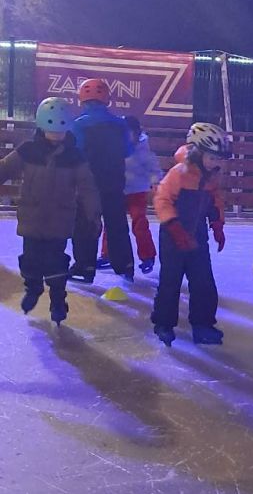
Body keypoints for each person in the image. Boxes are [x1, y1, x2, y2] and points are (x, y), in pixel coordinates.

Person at [0, 97, 100, 324]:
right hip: (32, 219)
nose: (56, 136)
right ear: (42, 127)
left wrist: (93, 214)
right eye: (52, 130)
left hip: (59, 221)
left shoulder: (75, 156)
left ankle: (58, 302)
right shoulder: (28, 150)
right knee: (30, 260)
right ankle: (33, 288)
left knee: (56, 264)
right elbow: (5, 168)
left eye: (60, 131)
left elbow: (88, 187)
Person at [151, 122, 229, 347]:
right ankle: (164, 323)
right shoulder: (179, 173)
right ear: (197, 152)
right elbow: (161, 199)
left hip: (198, 236)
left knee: (203, 281)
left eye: (218, 159)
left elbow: (215, 199)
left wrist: (217, 224)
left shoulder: (211, 175)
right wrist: (174, 227)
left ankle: (203, 324)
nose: (216, 163)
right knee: (170, 281)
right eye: (212, 158)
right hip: (173, 235)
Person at [68, 78, 135, 283]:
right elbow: (128, 150)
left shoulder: (77, 125)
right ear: (107, 99)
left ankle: (85, 267)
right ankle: (125, 265)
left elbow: (74, 152)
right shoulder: (120, 124)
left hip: (88, 184)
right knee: (116, 222)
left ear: (82, 99)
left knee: (86, 224)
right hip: (114, 182)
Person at [97, 115, 162, 274]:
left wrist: (155, 181)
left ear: (137, 133)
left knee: (140, 223)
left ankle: (147, 256)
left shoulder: (143, 150)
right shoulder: (114, 148)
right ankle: (107, 254)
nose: (126, 137)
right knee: (112, 223)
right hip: (117, 190)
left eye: (129, 133)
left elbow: (153, 168)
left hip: (137, 191)